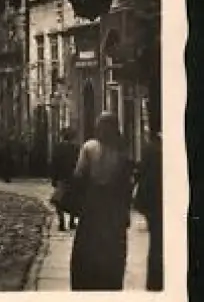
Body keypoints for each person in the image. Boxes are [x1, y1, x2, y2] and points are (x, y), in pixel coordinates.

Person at [69, 112, 134, 290]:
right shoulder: (122, 151)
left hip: (92, 205)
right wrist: (126, 213)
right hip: (114, 208)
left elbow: (78, 176)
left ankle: (85, 282)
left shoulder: (89, 147)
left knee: (87, 245)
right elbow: (126, 186)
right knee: (112, 249)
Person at [134, 129, 163, 291]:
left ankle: (154, 282)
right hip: (158, 201)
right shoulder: (156, 148)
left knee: (156, 242)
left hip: (152, 201)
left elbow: (141, 172)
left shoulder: (150, 148)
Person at [50, 127, 80, 230]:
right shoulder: (76, 148)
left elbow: (54, 164)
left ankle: (62, 221)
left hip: (61, 178)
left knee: (58, 200)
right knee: (73, 200)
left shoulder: (58, 148)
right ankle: (71, 222)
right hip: (73, 177)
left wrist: (54, 178)